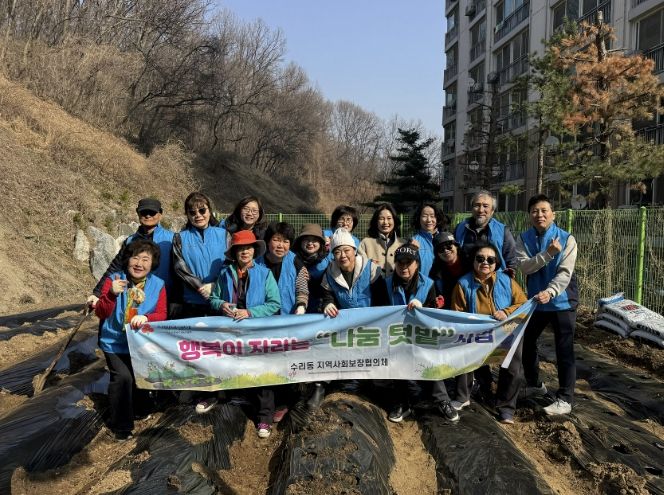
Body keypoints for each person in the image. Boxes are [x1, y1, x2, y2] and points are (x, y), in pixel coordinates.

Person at [208, 230, 281, 437]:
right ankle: (235, 403)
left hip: (258, 332)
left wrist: (250, 312)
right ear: (234, 253)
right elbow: (213, 299)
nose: (245, 252)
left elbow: (274, 303)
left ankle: (264, 418)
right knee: (233, 367)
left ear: (254, 251)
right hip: (232, 332)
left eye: (248, 248)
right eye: (240, 248)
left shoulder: (265, 274)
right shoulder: (225, 274)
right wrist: (221, 304)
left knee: (263, 371)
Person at [95, 240, 167, 440]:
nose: (139, 264)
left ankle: (142, 409)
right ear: (127, 260)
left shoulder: (158, 285)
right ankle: (121, 427)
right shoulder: (114, 280)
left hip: (140, 343)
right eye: (135, 258)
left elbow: (162, 313)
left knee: (140, 374)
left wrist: (147, 317)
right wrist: (110, 294)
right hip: (114, 341)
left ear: (152, 264)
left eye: (145, 259)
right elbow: (101, 312)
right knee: (123, 378)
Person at [450, 242, 527, 424]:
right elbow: (456, 312)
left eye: (490, 260)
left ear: (496, 264)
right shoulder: (463, 284)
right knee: (463, 354)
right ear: (473, 261)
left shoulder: (507, 281)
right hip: (476, 333)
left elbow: (523, 303)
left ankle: (506, 408)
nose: (485, 262)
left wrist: (507, 312)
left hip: (505, 331)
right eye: (480, 258)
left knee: (512, 366)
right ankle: (462, 396)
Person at [516, 194, 578, 416]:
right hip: (536, 302)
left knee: (564, 349)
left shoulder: (567, 239)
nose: (539, 215)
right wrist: (548, 254)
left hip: (562, 301)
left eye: (544, 210)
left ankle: (565, 398)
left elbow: (565, 273)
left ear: (553, 214)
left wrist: (550, 292)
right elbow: (525, 267)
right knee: (526, 341)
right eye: (535, 211)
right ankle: (534, 384)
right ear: (529, 215)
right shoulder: (523, 239)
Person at [385, 244, 459, 423]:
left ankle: (442, 400)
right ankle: (402, 403)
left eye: (408, 263)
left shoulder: (428, 284)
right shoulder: (386, 283)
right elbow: (379, 310)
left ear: (417, 264)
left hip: (421, 335)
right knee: (397, 359)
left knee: (428, 359)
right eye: (400, 263)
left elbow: (433, 313)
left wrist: (423, 306)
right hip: (395, 335)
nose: (404, 267)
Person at [87, 198, 175, 310]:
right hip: (135, 299)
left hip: (165, 299)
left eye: (152, 212)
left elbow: (180, 272)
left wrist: (178, 300)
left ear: (160, 214)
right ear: (138, 213)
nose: (148, 216)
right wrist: (97, 293)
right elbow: (115, 267)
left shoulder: (172, 239)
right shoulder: (130, 241)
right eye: (144, 212)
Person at [172, 192, 227, 317]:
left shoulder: (224, 235)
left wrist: (215, 285)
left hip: (220, 299)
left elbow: (229, 263)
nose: (198, 215)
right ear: (187, 215)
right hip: (192, 302)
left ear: (209, 211)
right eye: (192, 212)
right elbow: (179, 267)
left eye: (202, 210)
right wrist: (201, 288)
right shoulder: (179, 238)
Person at [321, 228, 388, 316]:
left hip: (372, 319)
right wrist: (328, 304)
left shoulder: (371, 269)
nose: (343, 255)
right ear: (333, 255)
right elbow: (327, 298)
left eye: (346, 250)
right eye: (337, 252)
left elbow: (382, 301)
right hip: (346, 322)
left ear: (355, 251)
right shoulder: (329, 275)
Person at [454, 190, 517, 273]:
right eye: (477, 205)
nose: (480, 210)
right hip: (465, 278)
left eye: (485, 206)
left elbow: (511, 261)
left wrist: (506, 278)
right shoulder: (460, 228)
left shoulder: (502, 231)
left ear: (492, 210)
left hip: (493, 278)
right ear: (472, 208)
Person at [257, 222, 309, 315]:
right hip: (260, 316)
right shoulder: (256, 263)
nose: (281, 245)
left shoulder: (296, 262)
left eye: (286, 241)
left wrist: (301, 306)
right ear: (268, 241)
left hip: (287, 316)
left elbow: (302, 289)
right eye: (276, 240)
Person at [359, 203, 405, 278]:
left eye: (389, 218)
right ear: (376, 221)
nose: (385, 222)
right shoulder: (365, 243)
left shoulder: (403, 244)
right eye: (381, 219)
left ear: (394, 220)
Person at [293, 223, 330, 314]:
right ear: (300, 241)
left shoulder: (328, 260)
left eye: (314, 240)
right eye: (306, 239)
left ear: (320, 243)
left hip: (322, 307)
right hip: (296, 306)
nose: (310, 243)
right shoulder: (292, 259)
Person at [429, 232, 466, 310]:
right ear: (437, 254)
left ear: (456, 246)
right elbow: (434, 295)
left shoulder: (471, 264)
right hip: (450, 310)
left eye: (449, 246)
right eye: (441, 249)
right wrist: (437, 300)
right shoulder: (435, 272)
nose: (446, 251)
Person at [410, 203, 448, 278]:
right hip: (423, 283)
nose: (429, 220)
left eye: (432, 216)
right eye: (424, 216)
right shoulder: (413, 241)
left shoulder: (446, 239)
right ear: (418, 218)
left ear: (437, 218)